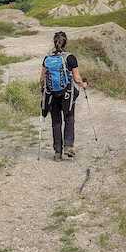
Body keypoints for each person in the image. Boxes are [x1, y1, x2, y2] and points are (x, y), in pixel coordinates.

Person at [40, 31, 88, 161]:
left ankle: (57, 153)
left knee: (56, 122)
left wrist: (43, 92)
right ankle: (68, 146)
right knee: (69, 117)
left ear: (54, 42)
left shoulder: (47, 58)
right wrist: (83, 84)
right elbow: (77, 78)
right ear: (66, 42)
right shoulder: (70, 58)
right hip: (67, 94)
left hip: (51, 94)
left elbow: (42, 78)